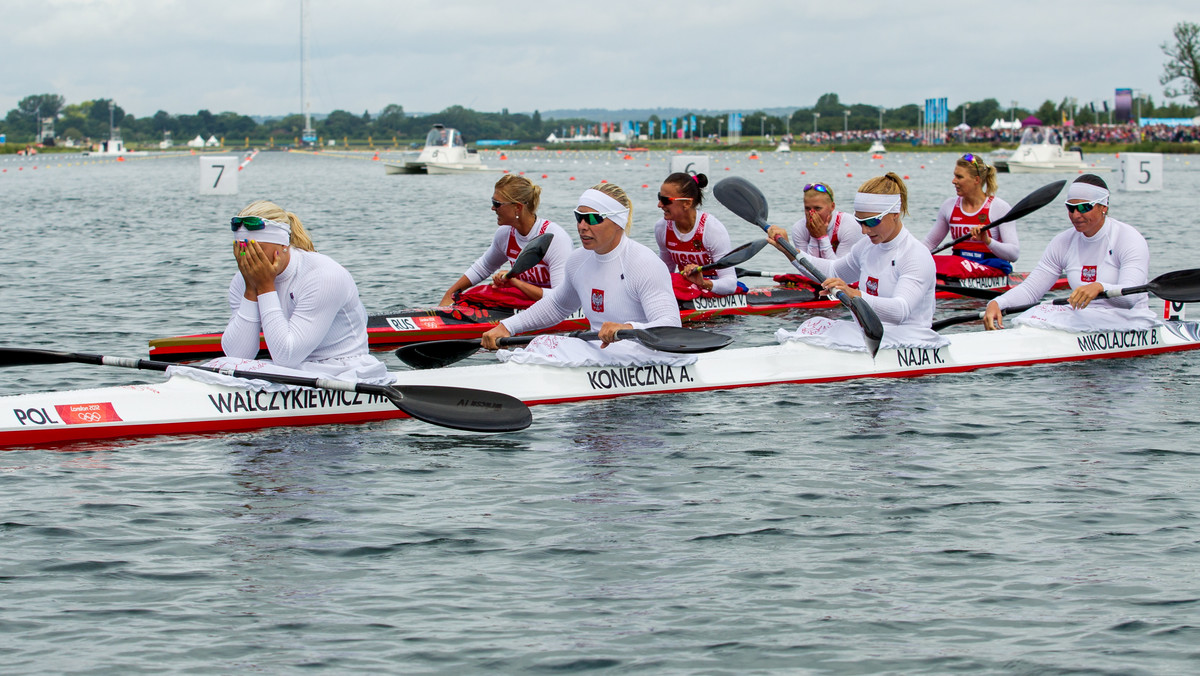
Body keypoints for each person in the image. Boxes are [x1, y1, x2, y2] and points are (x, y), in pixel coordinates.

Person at [479, 183, 685, 366]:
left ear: (617, 222)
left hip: (645, 356)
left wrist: (627, 327)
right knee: (541, 342)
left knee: (547, 343)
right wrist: (507, 327)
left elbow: (670, 323)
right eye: (579, 217)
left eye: (592, 219)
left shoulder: (643, 263)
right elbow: (557, 305)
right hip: (600, 352)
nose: (582, 226)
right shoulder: (578, 260)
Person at [218, 200, 387, 382]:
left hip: (342, 370)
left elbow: (286, 357)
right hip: (292, 369)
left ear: (283, 246)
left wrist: (265, 286)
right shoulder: (242, 279)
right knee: (220, 365)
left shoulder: (324, 275)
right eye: (242, 249)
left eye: (257, 250)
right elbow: (236, 355)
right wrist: (251, 288)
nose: (248, 258)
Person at [773, 173, 945, 351]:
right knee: (814, 323)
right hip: (871, 336)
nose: (864, 230)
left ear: (895, 213)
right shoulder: (866, 247)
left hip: (910, 341)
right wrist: (790, 251)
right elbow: (832, 270)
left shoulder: (915, 255)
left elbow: (899, 311)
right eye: (859, 221)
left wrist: (854, 294)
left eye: (871, 221)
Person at [983, 174, 1152, 332]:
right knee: (1033, 313)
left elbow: (1130, 298)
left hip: (1130, 320)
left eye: (1084, 207)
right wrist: (998, 302)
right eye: (1070, 208)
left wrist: (1099, 287)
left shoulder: (1128, 238)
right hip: (1084, 319)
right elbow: (1031, 290)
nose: (1076, 215)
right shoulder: (1063, 242)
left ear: (1103, 206)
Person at [438, 175, 573, 308]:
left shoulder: (555, 239)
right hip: (526, 304)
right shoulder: (505, 234)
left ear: (517, 207)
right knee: (475, 294)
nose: (492, 208)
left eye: (497, 204)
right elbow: (483, 267)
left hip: (557, 308)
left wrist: (514, 282)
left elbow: (561, 299)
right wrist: (450, 294)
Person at [922, 153, 1019, 275]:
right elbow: (930, 243)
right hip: (958, 266)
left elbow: (1014, 254)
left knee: (951, 264)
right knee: (931, 262)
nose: (954, 181)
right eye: (954, 176)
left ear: (976, 180)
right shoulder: (949, 206)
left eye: (959, 177)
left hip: (990, 266)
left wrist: (987, 240)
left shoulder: (999, 208)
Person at [653, 172, 742, 296]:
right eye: (659, 197)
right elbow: (665, 272)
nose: (659, 205)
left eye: (665, 200)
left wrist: (703, 283)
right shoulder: (661, 228)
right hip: (686, 287)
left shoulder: (712, 230)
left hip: (714, 288)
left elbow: (731, 285)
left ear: (687, 203)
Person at [766, 181, 863, 260]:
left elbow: (839, 273)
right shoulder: (799, 228)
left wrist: (822, 237)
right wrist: (813, 237)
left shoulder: (850, 225)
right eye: (807, 208)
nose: (811, 213)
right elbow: (806, 268)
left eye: (817, 208)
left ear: (832, 207)